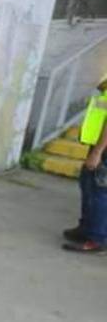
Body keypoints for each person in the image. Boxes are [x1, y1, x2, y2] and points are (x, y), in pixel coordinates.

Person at [64, 78, 107, 254]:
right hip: (97, 145)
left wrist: (97, 152)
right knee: (88, 185)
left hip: (103, 149)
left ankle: (98, 239)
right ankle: (87, 229)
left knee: (99, 192)